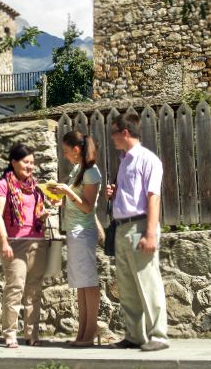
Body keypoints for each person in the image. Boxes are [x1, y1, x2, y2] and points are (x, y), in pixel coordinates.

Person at [105, 112, 169, 351]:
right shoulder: (124, 161)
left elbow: (153, 197)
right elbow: (132, 195)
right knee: (128, 285)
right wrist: (114, 195)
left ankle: (159, 335)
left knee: (148, 281)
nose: (111, 138)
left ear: (124, 132)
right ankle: (134, 335)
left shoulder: (147, 159)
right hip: (122, 227)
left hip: (140, 225)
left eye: (113, 132)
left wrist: (150, 233)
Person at [0, 143, 54, 348]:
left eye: (32, 163)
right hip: (15, 243)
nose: (30, 167)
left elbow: (37, 215)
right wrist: (3, 241)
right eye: (26, 162)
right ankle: (10, 334)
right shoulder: (4, 185)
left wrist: (43, 216)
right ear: (14, 162)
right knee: (15, 288)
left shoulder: (35, 187)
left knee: (34, 290)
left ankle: (31, 334)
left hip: (37, 241)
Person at [51, 131, 103, 347]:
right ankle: (83, 330)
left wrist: (68, 193)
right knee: (81, 283)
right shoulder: (77, 170)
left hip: (84, 232)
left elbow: (88, 207)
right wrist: (60, 201)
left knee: (88, 282)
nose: (64, 155)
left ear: (77, 149)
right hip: (74, 231)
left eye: (65, 151)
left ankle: (91, 330)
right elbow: (77, 202)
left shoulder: (91, 172)